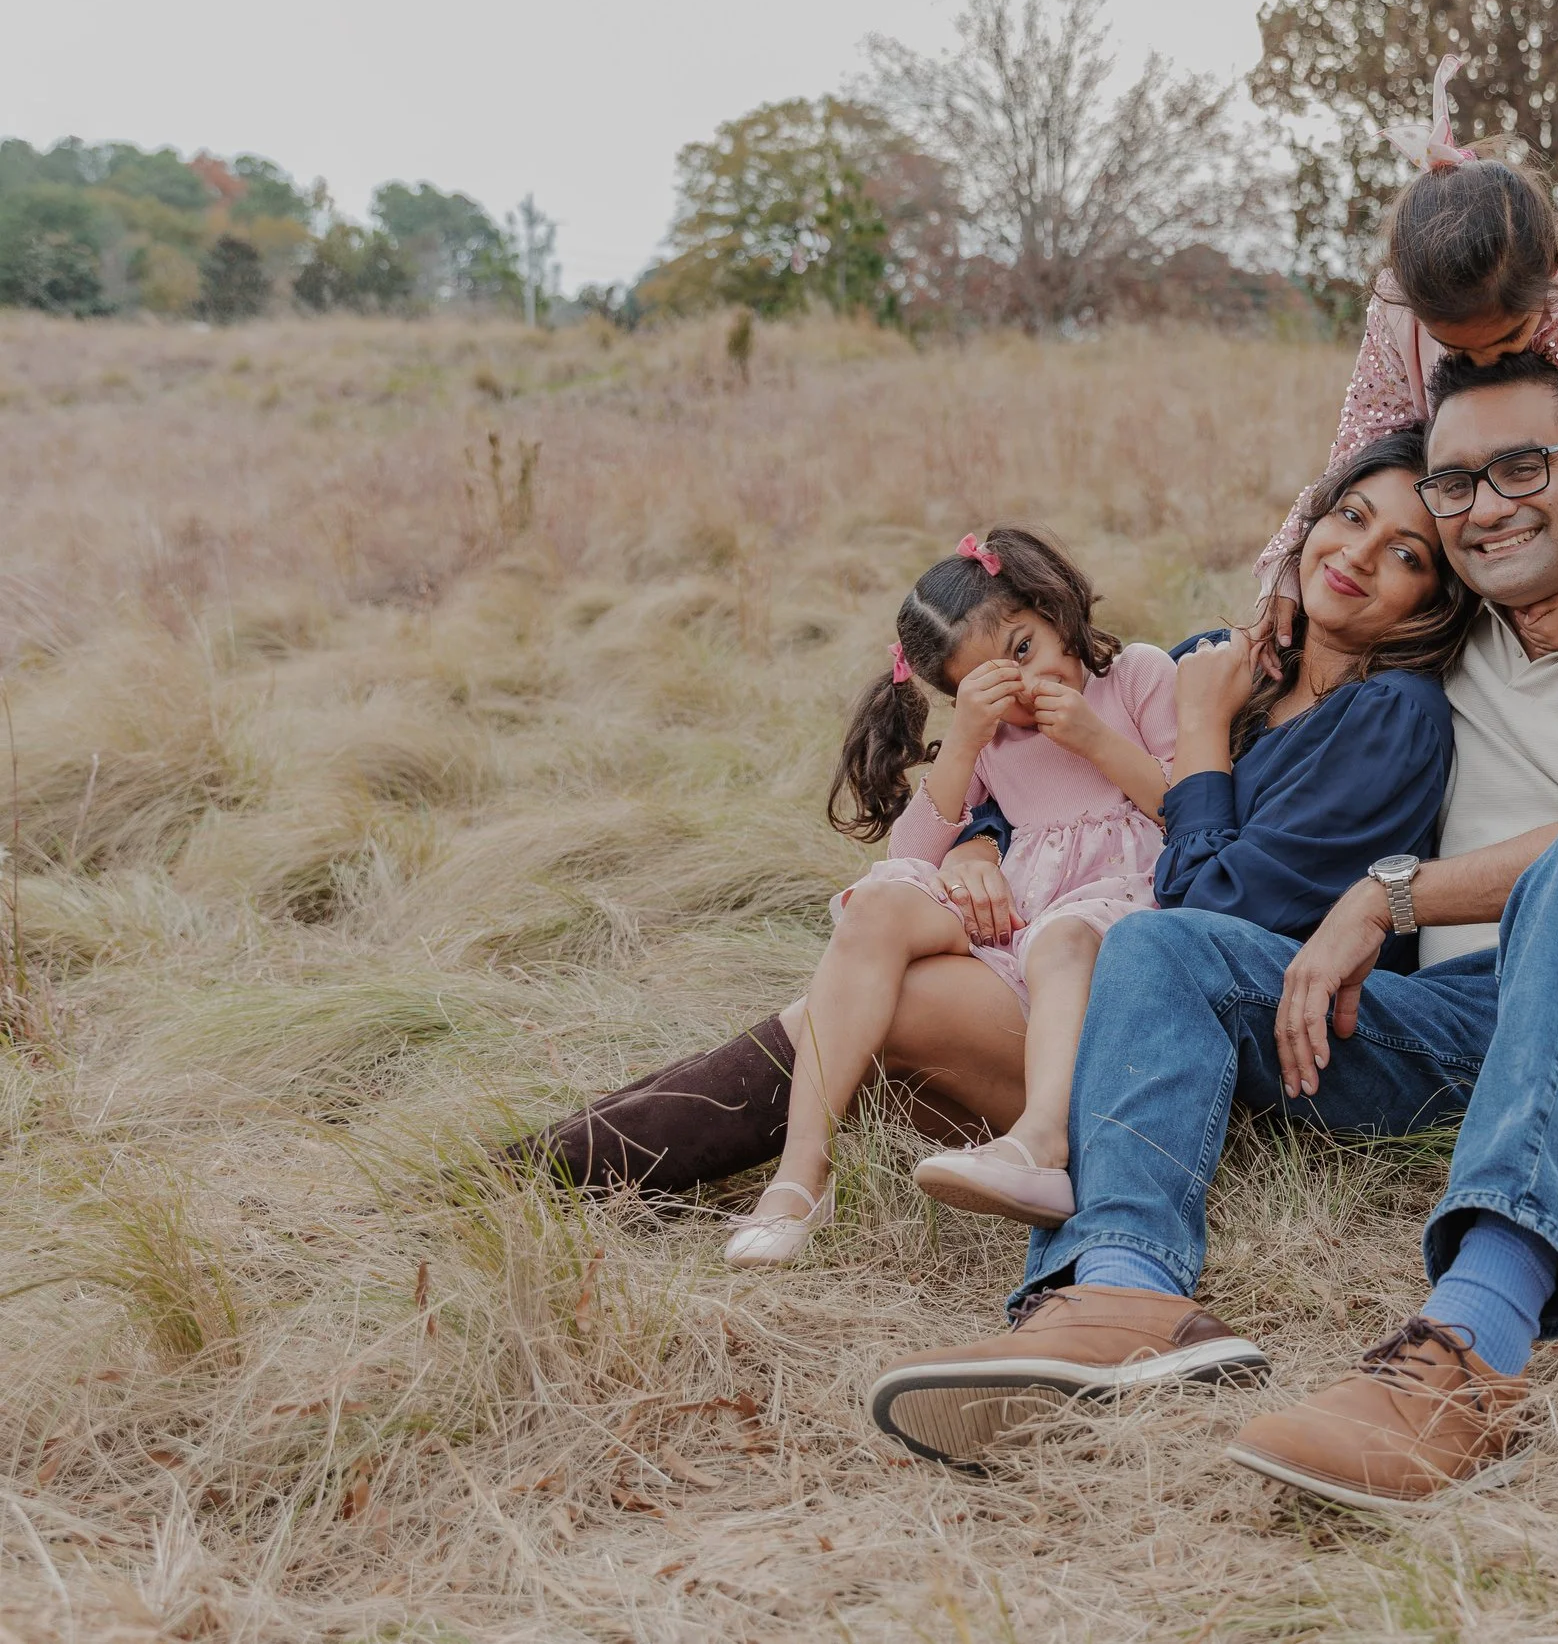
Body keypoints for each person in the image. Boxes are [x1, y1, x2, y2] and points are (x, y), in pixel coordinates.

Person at [867, 350, 1558, 1515]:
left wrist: (1387, 895)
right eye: (1458, 484)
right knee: (1163, 943)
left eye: (1524, 467)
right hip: (1471, 1024)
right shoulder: (1442, 646)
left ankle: (1469, 1348)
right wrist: (974, 831)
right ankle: (1117, 1287)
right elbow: (1347, 514)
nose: (1482, 504)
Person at [499, 433, 1479, 1229]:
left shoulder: (1389, 716)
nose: (1355, 553)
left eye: (1406, 552)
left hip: (1214, 1055)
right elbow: (1045, 787)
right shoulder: (1229, 667)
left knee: (896, 1006)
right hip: (1094, 989)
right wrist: (973, 843)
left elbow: (1214, 905)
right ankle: (561, 1166)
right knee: (864, 988)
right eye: (1350, 515)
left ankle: (563, 1172)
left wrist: (1201, 731)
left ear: (1434, 597)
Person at [718, 527, 1179, 1267]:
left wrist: (1095, 739)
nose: (1022, 684)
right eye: (987, 682)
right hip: (1022, 915)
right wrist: (966, 739)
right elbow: (911, 857)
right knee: (876, 905)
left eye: (1023, 647)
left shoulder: (1137, 677)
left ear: (1052, 607)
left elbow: (1190, 813)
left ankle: (1041, 1144)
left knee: (1063, 940)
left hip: (1115, 909)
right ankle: (802, 1175)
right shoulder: (993, 740)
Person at [1255, 55, 1558, 668]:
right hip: (1453, 533)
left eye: (1509, 338)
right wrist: (1288, 560)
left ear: (1552, 269)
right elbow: (1361, 454)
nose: (1485, 361)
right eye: (1459, 349)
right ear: (1407, 300)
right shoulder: (1395, 313)